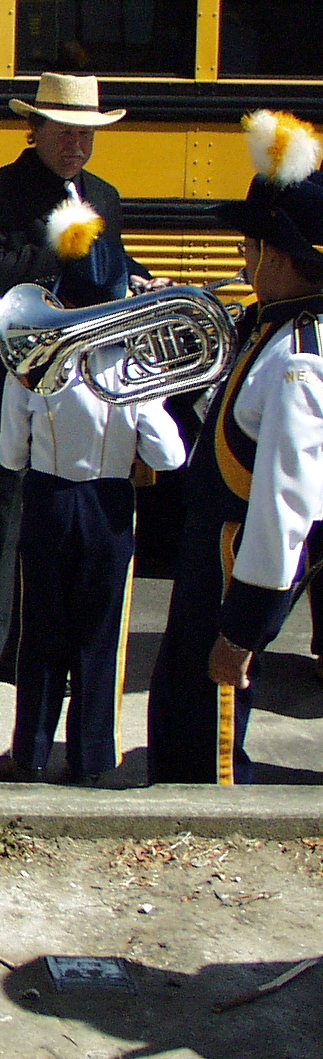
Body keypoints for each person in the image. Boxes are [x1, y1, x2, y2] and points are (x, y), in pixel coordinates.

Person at [0, 73, 152, 718]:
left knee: (62, 529)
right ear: (36, 130)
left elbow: (108, 274)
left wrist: (136, 282)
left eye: (87, 135)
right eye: (65, 133)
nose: (76, 146)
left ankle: (35, 656)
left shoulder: (103, 195)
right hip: (9, 384)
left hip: (79, 396)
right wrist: (52, 253)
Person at [147, 110, 323, 786]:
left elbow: (285, 512)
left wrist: (242, 631)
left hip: (235, 561)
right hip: (213, 546)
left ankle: (208, 823)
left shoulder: (299, 360)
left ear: (279, 255)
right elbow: (225, 425)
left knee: (209, 731)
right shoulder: (269, 329)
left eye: (250, 247)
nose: (242, 260)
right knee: (179, 707)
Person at [0, 198, 185, 785]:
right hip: (108, 508)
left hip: (49, 502)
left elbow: (9, 455)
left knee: (41, 634)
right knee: (101, 639)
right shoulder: (135, 367)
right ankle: (93, 758)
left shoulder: (32, 363)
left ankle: (29, 754)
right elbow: (170, 456)